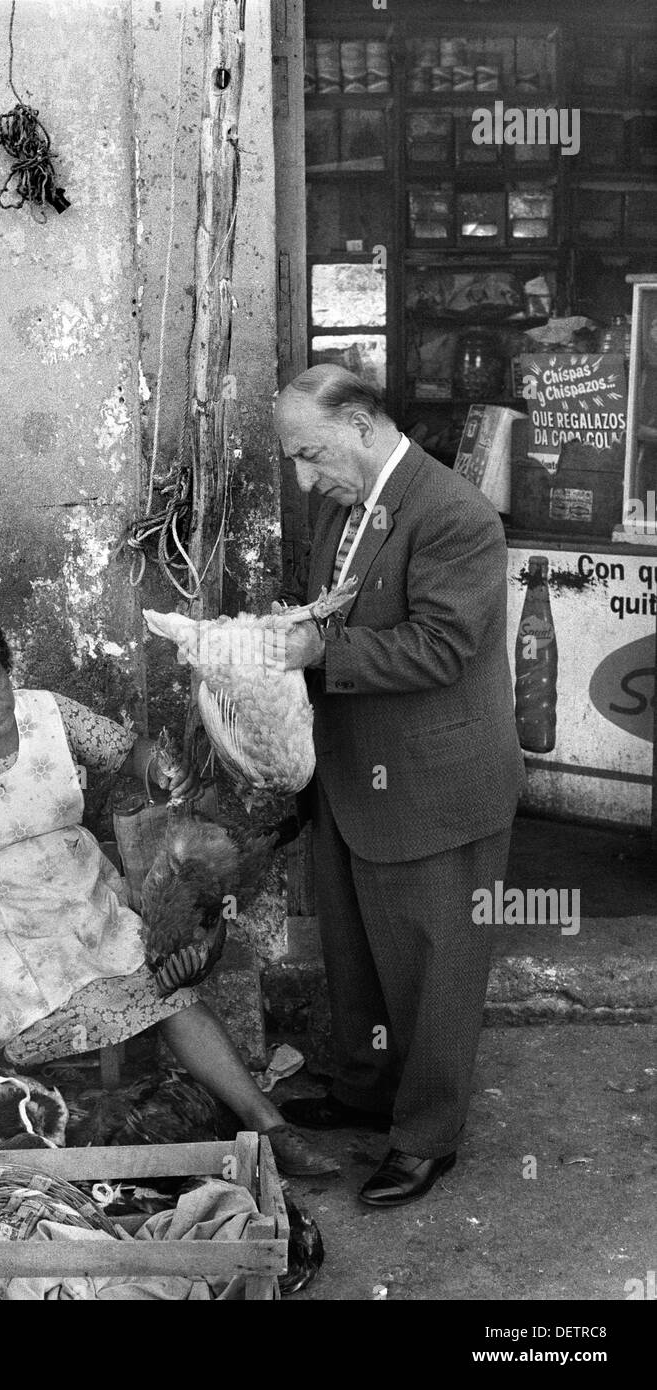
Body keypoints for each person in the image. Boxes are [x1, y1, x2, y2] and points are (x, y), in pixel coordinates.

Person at [0, 608, 335, 1177]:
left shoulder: (48, 714)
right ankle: (8, 1148)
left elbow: (130, 751)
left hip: (78, 888)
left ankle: (268, 1125)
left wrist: (161, 770)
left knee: (164, 985)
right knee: (9, 1012)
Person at [272, 365, 526, 1206]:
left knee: (433, 971)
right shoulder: (340, 506)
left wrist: (317, 654)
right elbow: (332, 616)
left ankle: (426, 1137)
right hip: (352, 774)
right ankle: (365, 1090)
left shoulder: (454, 512)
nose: (305, 478)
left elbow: (442, 646)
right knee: (356, 957)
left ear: (362, 425)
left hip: (435, 785)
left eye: (310, 455)